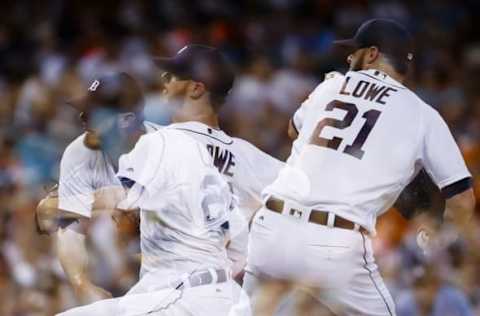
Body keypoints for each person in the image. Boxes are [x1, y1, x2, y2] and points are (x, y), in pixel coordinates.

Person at [244, 18, 475, 316]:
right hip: (334, 240)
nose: (349, 57)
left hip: (271, 227)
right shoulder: (422, 114)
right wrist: (440, 237)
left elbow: (293, 130)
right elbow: (462, 198)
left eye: (355, 51)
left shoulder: (332, 84)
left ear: (372, 54)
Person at [57, 117, 251, 315]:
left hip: (186, 297)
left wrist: (60, 202)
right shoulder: (209, 181)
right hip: (226, 296)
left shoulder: (155, 153)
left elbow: (119, 197)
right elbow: (238, 240)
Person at [153, 45, 284, 273]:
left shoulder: (160, 141)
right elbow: (308, 193)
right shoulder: (248, 155)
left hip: (172, 288)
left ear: (195, 88)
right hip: (222, 292)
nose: (164, 81)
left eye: (171, 75)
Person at [36, 72, 162, 304]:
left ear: (126, 119)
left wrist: (106, 201)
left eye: (94, 113)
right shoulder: (79, 153)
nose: (83, 117)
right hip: (132, 269)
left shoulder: (167, 149)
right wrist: (80, 282)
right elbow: (68, 226)